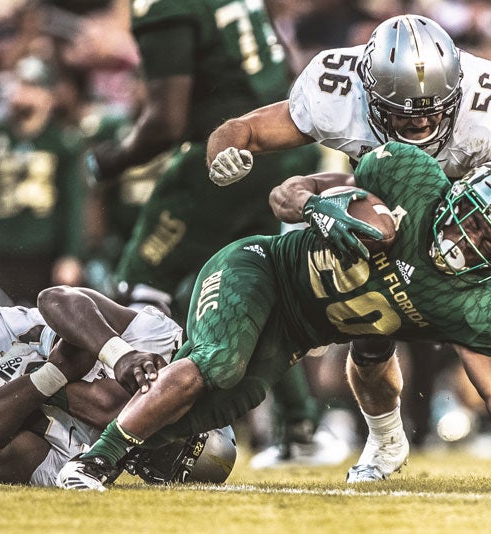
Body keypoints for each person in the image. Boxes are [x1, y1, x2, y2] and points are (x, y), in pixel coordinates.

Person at [56, 142, 491, 491]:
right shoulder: (408, 181)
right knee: (219, 364)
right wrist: (314, 206)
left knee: (202, 418)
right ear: (462, 197)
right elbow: (285, 193)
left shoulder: (472, 301)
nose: (472, 239)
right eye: (477, 222)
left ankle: (60, 401)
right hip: (261, 272)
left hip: (296, 333)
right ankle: (92, 463)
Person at [206, 14, 491, 480]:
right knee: (370, 334)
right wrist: (224, 153)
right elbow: (244, 130)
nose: (421, 121)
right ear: (369, 93)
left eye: (434, 109)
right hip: (383, 200)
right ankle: (386, 439)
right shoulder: (337, 88)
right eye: (404, 112)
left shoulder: (487, 107)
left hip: (465, 206)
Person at [82, 0, 331, 467]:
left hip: (226, 150)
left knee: (139, 286)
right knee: (260, 287)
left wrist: (106, 161)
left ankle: (146, 429)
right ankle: (301, 427)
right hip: (283, 148)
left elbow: (166, 123)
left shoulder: (164, 7)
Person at [0, 286, 235, 486]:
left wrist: (51, 376)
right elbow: (57, 299)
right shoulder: (155, 345)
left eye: (168, 458)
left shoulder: (80, 465)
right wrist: (119, 354)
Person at [0, 55, 86, 306]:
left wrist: (71, 255)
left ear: (49, 96)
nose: (22, 94)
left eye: (32, 87)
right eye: (19, 85)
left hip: (43, 251)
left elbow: (73, 202)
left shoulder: (63, 142)